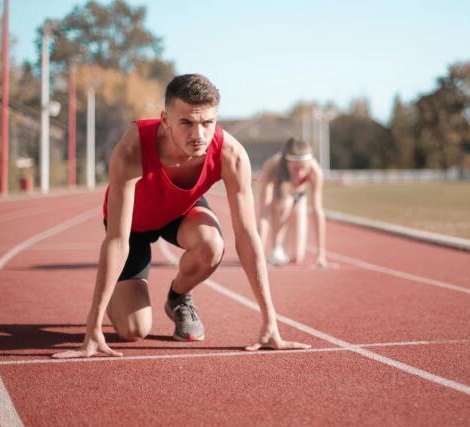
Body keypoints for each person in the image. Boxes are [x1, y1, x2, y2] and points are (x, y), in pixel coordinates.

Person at [53, 74, 309, 358]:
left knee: (212, 245)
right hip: (133, 226)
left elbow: (247, 236)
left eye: (207, 123)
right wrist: (93, 329)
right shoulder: (132, 148)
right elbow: (116, 240)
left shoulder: (231, 155)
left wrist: (270, 322)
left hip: (180, 212)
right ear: (165, 120)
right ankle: (115, 291)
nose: (198, 135)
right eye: (186, 122)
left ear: (216, 119)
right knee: (133, 331)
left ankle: (178, 297)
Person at [256, 138, 327, 267]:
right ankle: (276, 247)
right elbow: (264, 212)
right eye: (295, 169)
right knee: (285, 203)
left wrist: (320, 254)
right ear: (287, 163)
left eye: (303, 168)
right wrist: (257, 251)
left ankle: (287, 248)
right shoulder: (273, 166)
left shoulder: (315, 171)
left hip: (299, 197)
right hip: (278, 199)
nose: (299, 174)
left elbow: (318, 211)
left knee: (296, 257)